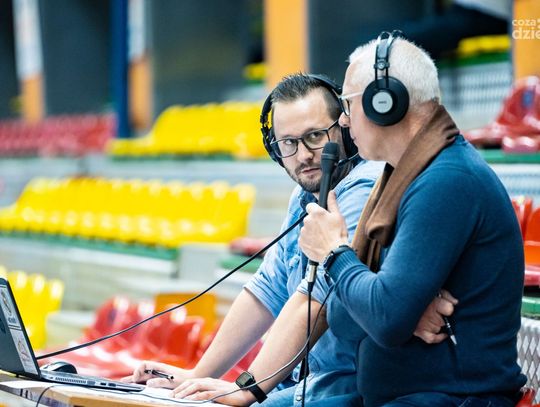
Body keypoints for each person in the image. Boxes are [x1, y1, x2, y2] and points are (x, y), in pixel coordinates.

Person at [124, 73, 457, 406]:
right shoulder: (305, 194)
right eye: (288, 143)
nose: (303, 155)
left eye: (314, 136)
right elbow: (267, 289)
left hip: (355, 384)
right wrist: (196, 375)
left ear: (344, 129)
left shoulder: (364, 189)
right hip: (315, 380)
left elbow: (315, 302)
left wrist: (247, 388)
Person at [298, 32, 526, 407]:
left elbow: (384, 317)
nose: (343, 119)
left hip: (454, 399)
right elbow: (345, 319)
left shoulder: (448, 180)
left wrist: (335, 253)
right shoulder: (402, 177)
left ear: (384, 102)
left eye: (348, 103)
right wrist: (397, 306)